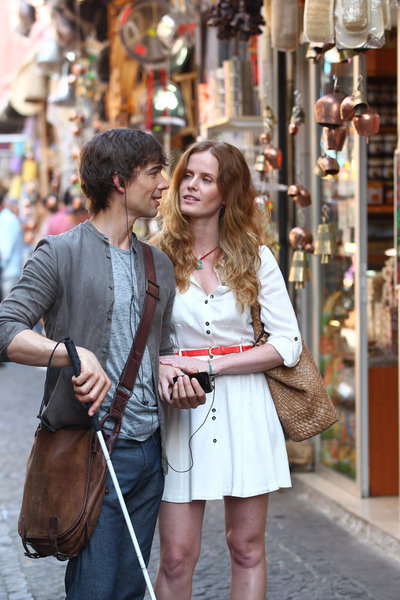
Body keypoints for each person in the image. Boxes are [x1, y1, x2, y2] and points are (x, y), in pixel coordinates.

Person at [0, 128, 205, 600]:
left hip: (149, 454)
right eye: (154, 173)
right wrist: (72, 355)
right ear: (119, 179)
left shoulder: (159, 265)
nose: (164, 185)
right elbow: (8, 330)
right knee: (94, 589)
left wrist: (177, 379)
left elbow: (162, 351)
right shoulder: (59, 252)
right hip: (90, 451)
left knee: (131, 590)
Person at [151, 140, 302, 600]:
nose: (191, 186)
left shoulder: (256, 258)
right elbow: (141, 341)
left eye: (206, 178)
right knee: (176, 555)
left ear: (228, 192)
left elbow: (287, 344)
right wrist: (161, 366)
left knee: (247, 547)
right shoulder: (154, 255)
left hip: (246, 409)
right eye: (187, 176)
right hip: (181, 411)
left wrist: (212, 364)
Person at [0, 185, 23, 300]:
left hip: (9, 276)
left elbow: (4, 252)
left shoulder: (7, 220)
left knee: (7, 316)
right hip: (6, 276)